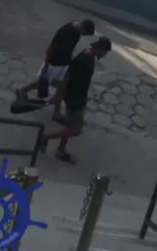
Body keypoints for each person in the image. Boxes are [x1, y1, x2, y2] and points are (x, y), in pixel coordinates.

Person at [39, 35, 112, 164]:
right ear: (101, 49)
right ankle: (45, 137)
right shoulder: (84, 60)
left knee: (70, 124)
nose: (104, 55)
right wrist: (57, 99)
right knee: (76, 130)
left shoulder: (87, 55)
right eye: (105, 52)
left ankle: (61, 149)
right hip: (75, 100)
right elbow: (65, 81)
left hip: (78, 97)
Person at [17, 19, 96, 102]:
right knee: (42, 81)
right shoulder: (65, 32)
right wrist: (46, 62)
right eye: (85, 33)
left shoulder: (77, 32)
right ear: (83, 28)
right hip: (54, 62)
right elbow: (52, 47)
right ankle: (23, 89)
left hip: (64, 62)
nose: (83, 35)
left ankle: (56, 98)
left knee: (60, 82)